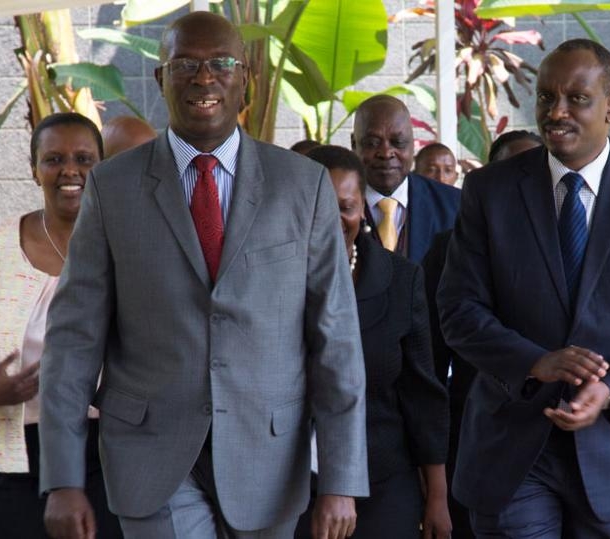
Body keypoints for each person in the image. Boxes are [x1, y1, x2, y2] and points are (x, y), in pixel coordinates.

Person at [39, 12, 368, 539]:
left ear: (246, 81)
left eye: (221, 63)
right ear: (160, 78)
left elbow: (336, 340)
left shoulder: (301, 187)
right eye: (185, 65)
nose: (204, 77)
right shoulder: (113, 187)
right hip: (150, 456)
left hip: (270, 457)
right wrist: (62, 478)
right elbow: (73, 339)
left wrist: (341, 478)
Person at [437, 38, 610, 537]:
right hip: (513, 450)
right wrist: (534, 362)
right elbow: (459, 310)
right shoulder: (489, 191)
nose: (556, 112)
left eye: (577, 98)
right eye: (545, 97)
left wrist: (609, 390)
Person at [0, 113, 121, 538]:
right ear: (34, 169)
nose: (70, 170)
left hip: (109, 454)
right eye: (53, 159)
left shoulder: (127, 246)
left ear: (102, 167)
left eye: (84, 159)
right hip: (13, 454)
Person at [293, 145, 451, 539]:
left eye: (345, 206)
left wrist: (437, 497)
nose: (332, 219)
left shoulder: (401, 280)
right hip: (289, 484)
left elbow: (421, 394)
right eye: (318, 205)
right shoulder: (268, 279)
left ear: (363, 209)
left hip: (382, 479)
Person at [421, 127, 543, 539]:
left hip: (557, 436)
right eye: (511, 170)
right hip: (476, 437)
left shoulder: (575, 242)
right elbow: (432, 366)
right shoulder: (451, 246)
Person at [351, 95, 460, 263]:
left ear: (413, 144)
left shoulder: (454, 205)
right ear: (354, 144)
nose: (386, 153)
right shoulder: (332, 206)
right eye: (372, 143)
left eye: (398, 142)